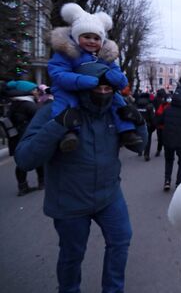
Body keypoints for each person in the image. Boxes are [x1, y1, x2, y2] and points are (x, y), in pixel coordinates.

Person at [15, 62, 147, 293]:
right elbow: (25, 159)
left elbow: (140, 147)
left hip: (109, 196)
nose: (103, 94)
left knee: (120, 241)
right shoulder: (54, 110)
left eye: (109, 89)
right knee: (72, 255)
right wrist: (58, 125)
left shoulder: (115, 113)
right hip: (70, 202)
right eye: (98, 88)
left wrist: (139, 122)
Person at [48, 2, 142, 152]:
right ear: (76, 37)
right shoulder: (66, 54)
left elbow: (120, 77)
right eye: (87, 36)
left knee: (118, 102)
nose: (92, 41)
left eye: (96, 38)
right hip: (70, 89)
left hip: (99, 90)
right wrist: (82, 81)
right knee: (66, 103)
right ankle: (69, 133)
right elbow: (58, 74)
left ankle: (127, 131)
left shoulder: (105, 57)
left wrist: (116, 79)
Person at [5, 80, 44, 196]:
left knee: (21, 162)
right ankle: (42, 182)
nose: (37, 92)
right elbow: (41, 119)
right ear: (28, 91)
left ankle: (23, 187)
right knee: (39, 160)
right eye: (35, 89)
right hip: (29, 137)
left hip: (17, 138)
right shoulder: (29, 104)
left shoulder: (14, 104)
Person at [135, 92, 156, 161]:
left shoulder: (136, 105)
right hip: (147, 125)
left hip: (137, 124)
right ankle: (146, 154)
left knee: (139, 138)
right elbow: (152, 117)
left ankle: (139, 151)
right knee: (148, 139)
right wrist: (154, 125)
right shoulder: (150, 105)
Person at [153, 90, 169, 157]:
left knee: (160, 138)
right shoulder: (167, 104)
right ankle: (167, 151)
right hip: (166, 124)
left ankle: (158, 150)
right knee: (167, 138)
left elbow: (156, 112)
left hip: (159, 122)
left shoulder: (155, 100)